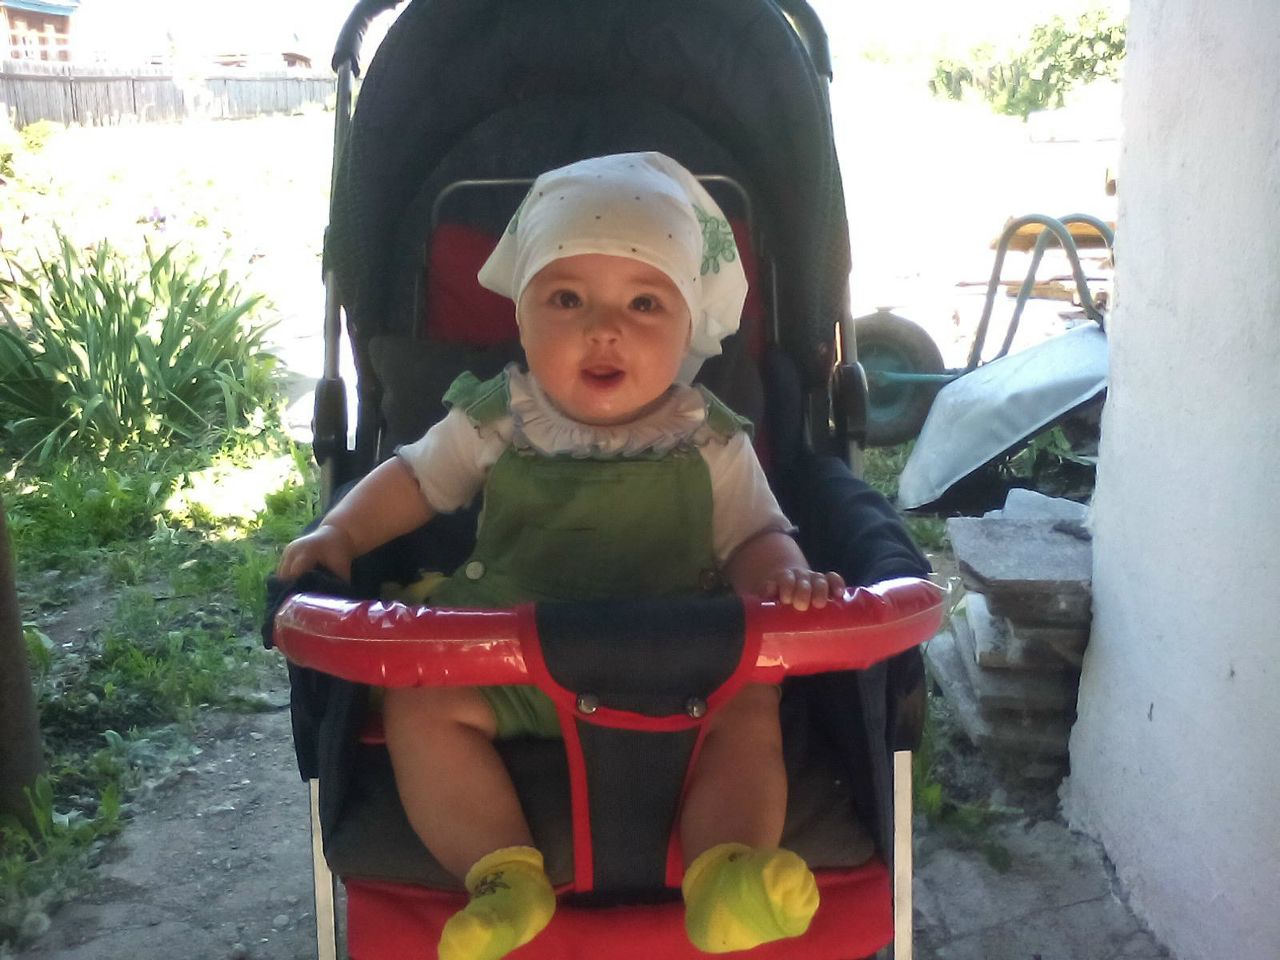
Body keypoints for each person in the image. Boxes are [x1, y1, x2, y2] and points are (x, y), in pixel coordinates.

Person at [277, 152, 846, 960]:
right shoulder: (499, 415)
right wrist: (341, 533)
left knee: (750, 708)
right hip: (508, 651)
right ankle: (501, 874)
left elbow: (755, 535)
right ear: (522, 318)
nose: (603, 328)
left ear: (689, 327)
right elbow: (414, 479)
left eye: (644, 302)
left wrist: (781, 577)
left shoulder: (712, 437)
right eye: (567, 299)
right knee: (419, 703)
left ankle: (728, 871)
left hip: (678, 662)